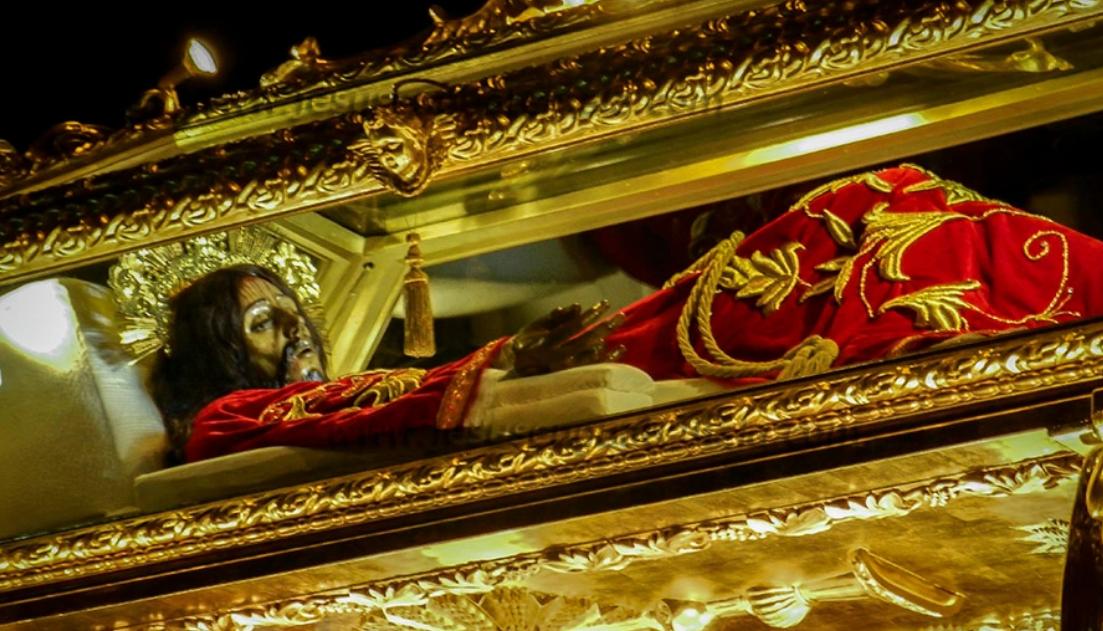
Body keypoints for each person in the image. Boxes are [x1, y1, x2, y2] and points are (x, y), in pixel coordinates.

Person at [117, 164, 1103, 464]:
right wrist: (504, 372)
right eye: (263, 324)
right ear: (217, 357)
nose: (296, 332)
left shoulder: (290, 396)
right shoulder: (223, 419)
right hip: (534, 368)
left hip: (549, 354)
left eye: (293, 311)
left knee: (871, 217)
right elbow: (365, 411)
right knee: (875, 230)